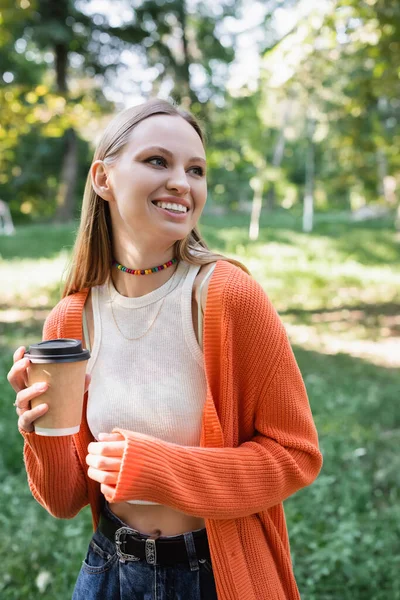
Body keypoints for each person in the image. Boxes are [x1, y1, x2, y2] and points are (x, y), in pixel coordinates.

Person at [7, 98, 323, 600]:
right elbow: (66, 501)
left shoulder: (228, 296)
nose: (182, 181)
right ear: (103, 179)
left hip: (213, 575)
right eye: (158, 161)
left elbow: (296, 456)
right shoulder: (71, 319)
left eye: (195, 169)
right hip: (109, 570)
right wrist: (41, 432)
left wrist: (160, 470)